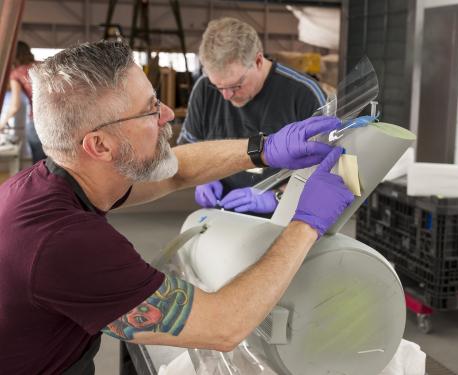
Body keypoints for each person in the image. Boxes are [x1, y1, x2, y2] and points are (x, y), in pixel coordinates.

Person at [0, 40, 353, 374]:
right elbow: (223, 326)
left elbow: (173, 173)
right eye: (150, 109)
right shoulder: (65, 244)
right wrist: (305, 223)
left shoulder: (51, 181)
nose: (167, 114)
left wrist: (264, 149)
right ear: (100, 145)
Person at [178, 17, 327, 216]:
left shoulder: (304, 95)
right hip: (223, 215)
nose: (226, 95)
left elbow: (328, 169)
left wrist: (277, 198)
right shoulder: (204, 90)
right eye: (218, 86)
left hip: (286, 219)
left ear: (258, 61)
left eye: (235, 85)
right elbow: (187, 152)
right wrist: (203, 178)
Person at [0, 40, 46, 163]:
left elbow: (15, 105)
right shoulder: (44, 65)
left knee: (39, 162)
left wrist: (2, 124)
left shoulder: (15, 74)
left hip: (38, 120)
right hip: (60, 118)